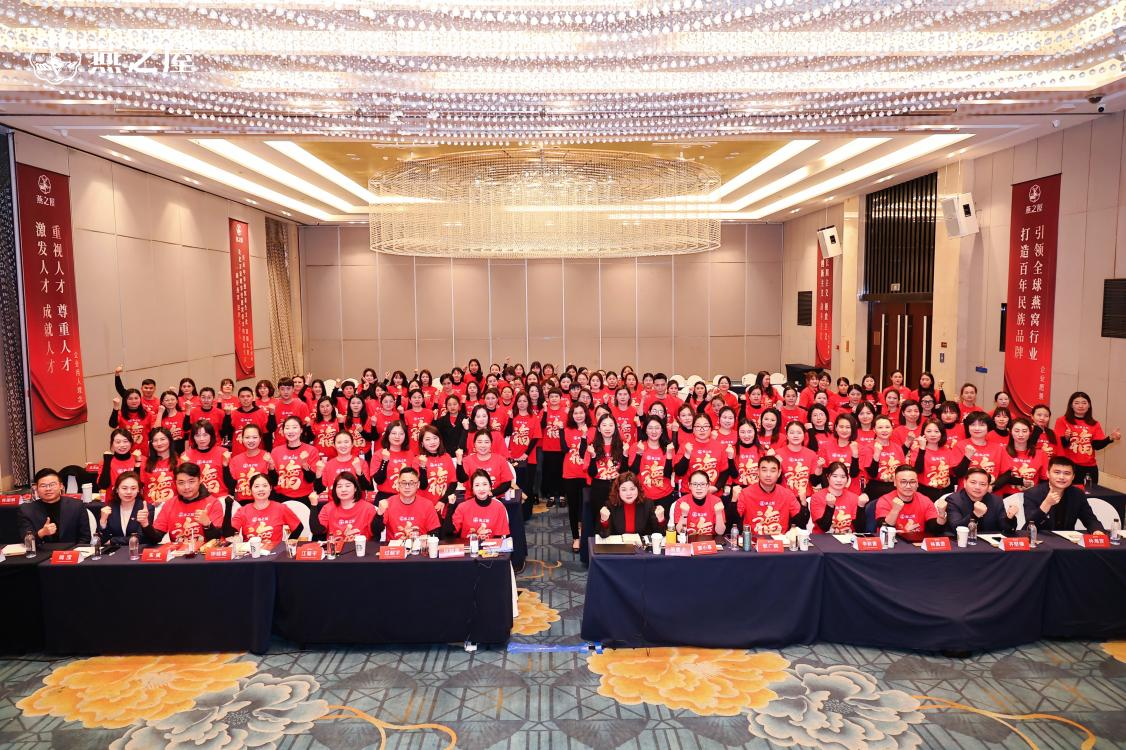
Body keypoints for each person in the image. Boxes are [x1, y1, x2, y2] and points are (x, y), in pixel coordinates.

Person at [141, 462, 228, 544]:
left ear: (200, 480)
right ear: (175, 483)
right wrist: (146, 525)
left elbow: (216, 540)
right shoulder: (169, 504)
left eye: (191, 481)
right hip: (178, 553)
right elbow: (156, 538)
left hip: (205, 553)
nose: (186, 487)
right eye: (181, 483)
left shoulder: (213, 503)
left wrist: (207, 525)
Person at [1022, 456, 1106, 533]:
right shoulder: (1033, 493)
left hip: (1067, 541)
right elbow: (1030, 523)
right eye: (1057, 472)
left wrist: (1097, 531)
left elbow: (1090, 520)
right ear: (1048, 474)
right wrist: (1046, 504)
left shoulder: (1077, 494)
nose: (1061, 477)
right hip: (1038, 538)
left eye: (1067, 473)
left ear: (1073, 477)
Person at [1055, 391, 1121, 487]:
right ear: (1071, 405)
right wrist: (1066, 437)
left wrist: (1110, 438)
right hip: (1069, 467)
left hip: (1090, 467)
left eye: (1084, 403)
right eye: (1076, 403)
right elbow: (1061, 445)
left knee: (1090, 494)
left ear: (1089, 405)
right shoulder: (1062, 421)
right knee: (1069, 494)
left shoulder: (1094, 423)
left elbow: (1096, 446)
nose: (1080, 406)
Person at [734, 455, 806, 536]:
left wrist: (803, 503)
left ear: (779, 473)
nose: (768, 474)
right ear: (758, 472)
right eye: (764, 470)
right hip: (753, 540)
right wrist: (733, 501)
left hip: (780, 541)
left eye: (773, 471)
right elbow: (733, 520)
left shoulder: (787, 494)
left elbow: (801, 523)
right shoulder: (746, 493)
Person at [17, 468, 92, 545]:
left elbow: (85, 538)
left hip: (71, 550)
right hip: (40, 551)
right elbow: (27, 542)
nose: (48, 489)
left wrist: (74, 551)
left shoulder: (77, 506)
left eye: (52, 484)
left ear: (61, 486)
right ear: (36, 488)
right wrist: (42, 533)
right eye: (43, 485)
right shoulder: (26, 510)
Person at [874, 465, 945, 544]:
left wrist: (942, 515)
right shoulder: (885, 500)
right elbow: (885, 529)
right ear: (895, 483)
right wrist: (895, 510)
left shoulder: (925, 500)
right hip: (892, 544)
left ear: (917, 483)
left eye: (912, 482)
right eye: (903, 482)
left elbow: (936, 530)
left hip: (917, 543)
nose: (908, 486)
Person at [231, 473, 303, 548]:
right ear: (251, 489)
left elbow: (298, 527)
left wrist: (287, 546)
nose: (261, 489)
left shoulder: (281, 508)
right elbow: (231, 532)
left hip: (275, 553)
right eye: (256, 486)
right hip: (251, 553)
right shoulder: (243, 511)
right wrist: (228, 507)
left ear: (270, 488)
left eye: (265, 486)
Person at [372, 467, 442, 541]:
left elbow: (435, 534)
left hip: (419, 546)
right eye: (403, 483)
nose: (407, 487)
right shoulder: (388, 503)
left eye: (411, 483)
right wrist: (379, 514)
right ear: (398, 484)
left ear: (418, 484)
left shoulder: (427, 505)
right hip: (395, 547)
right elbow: (375, 531)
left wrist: (422, 539)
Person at [944, 467, 1018, 535]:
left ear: (988, 486)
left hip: (990, 544)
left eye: (982, 484)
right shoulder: (953, 500)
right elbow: (956, 528)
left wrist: (1010, 518)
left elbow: (1006, 529)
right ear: (965, 483)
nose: (977, 487)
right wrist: (975, 515)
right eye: (973, 482)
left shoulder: (996, 501)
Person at [597, 472, 665, 537]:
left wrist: (661, 519)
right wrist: (604, 520)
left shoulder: (648, 504)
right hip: (619, 544)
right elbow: (603, 535)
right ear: (618, 491)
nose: (628, 493)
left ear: (638, 489)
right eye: (624, 490)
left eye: (632, 489)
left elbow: (661, 533)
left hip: (641, 544)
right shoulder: (610, 505)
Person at [451, 469, 511, 541]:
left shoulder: (499, 507)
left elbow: (499, 537)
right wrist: (451, 506)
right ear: (472, 488)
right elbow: (450, 533)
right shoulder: (462, 507)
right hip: (468, 546)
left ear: (490, 486)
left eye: (485, 484)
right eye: (477, 485)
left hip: (492, 547)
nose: (481, 489)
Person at [96, 471, 153, 546]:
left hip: (138, 550)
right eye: (124, 488)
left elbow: (142, 538)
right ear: (117, 489)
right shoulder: (109, 508)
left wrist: (113, 540)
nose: (129, 492)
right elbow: (101, 540)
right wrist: (103, 522)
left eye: (133, 488)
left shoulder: (145, 508)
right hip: (114, 551)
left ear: (138, 490)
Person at [809, 461, 867, 534]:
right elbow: (824, 528)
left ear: (847, 479)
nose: (839, 480)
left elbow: (860, 529)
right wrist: (830, 506)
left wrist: (861, 507)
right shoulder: (817, 497)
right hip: (823, 539)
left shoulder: (854, 497)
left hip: (847, 538)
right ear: (828, 477)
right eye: (835, 476)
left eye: (843, 477)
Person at [317, 471, 377, 542]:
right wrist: (313, 506)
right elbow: (317, 531)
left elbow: (375, 533)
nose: (343, 490)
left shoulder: (368, 508)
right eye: (339, 486)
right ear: (335, 490)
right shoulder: (327, 508)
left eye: (348, 486)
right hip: (335, 548)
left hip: (360, 547)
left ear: (355, 488)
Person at [670, 469, 727, 538]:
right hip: (689, 541)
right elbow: (680, 531)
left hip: (710, 541)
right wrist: (684, 514)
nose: (699, 488)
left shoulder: (716, 501)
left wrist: (718, 514)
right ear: (689, 486)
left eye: (702, 484)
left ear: (708, 485)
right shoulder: (681, 502)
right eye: (695, 484)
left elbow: (720, 532)